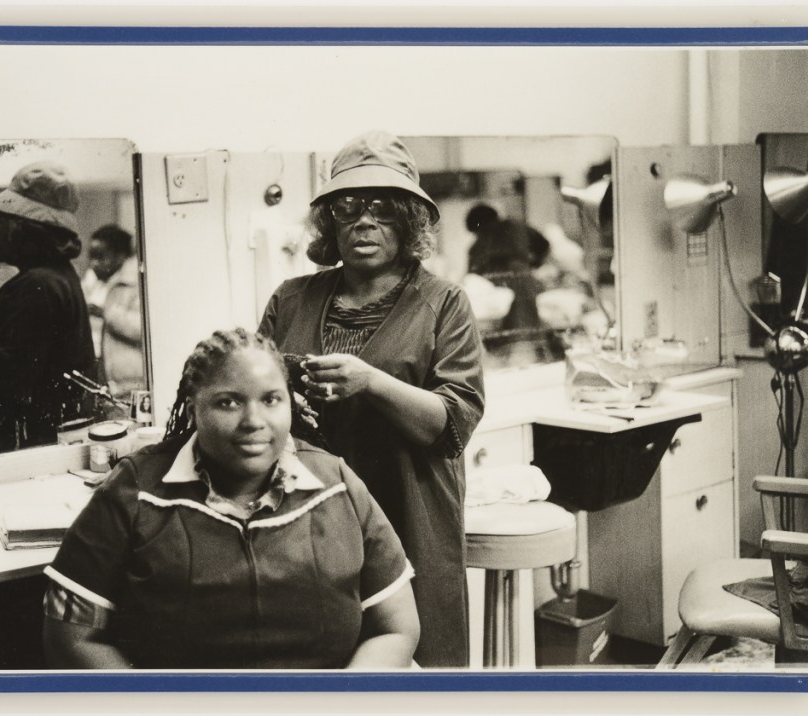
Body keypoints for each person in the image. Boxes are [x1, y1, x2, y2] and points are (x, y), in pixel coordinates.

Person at [43, 328, 419, 669]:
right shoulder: (134, 490)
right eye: (228, 403)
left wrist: (338, 704)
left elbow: (397, 628)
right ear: (192, 409)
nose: (254, 420)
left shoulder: (337, 485)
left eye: (271, 400)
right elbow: (71, 636)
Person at [258, 130, 485, 667]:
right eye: (348, 207)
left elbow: (452, 422)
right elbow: (256, 396)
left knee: (415, 671)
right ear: (329, 222)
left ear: (408, 221)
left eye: (383, 208)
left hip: (407, 514)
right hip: (307, 519)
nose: (364, 221)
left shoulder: (444, 303)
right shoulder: (291, 299)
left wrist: (372, 382)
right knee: (319, 667)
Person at [0, 162, 96, 455]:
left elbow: (1, 378)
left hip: (29, 451)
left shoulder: (39, 286)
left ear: (23, 227)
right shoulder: (54, 276)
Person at [81, 224, 145, 410]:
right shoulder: (99, 283)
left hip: (134, 384)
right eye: (92, 257)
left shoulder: (135, 284)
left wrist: (106, 313)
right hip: (112, 385)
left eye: (101, 257)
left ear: (120, 256)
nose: (94, 264)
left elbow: (142, 329)